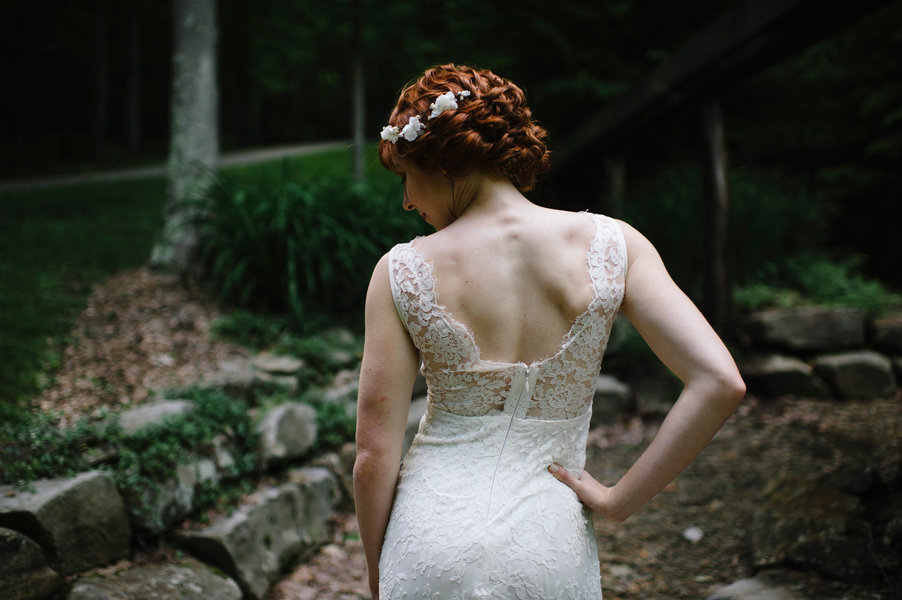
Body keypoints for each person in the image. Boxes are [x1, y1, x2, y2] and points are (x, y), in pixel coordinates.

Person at [353, 63, 745, 600]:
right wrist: (618, 501)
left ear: (445, 162)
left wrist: (380, 574)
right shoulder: (614, 245)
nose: (406, 201)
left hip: (427, 544)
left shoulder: (401, 271)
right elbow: (720, 381)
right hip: (546, 546)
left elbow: (374, 454)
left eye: (406, 177)